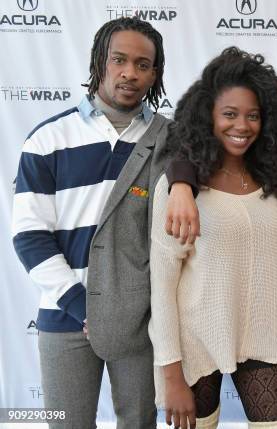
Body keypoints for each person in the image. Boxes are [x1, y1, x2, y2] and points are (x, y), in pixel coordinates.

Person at [148, 47, 277, 429]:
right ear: (208, 117)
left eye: (253, 115)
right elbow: (162, 286)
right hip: (195, 343)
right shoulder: (179, 190)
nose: (242, 125)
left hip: (264, 337)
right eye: (230, 114)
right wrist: (170, 376)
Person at [12, 17, 169, 428]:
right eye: (119, 59)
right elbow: (30, 237)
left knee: (139, 422)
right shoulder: (48, 139)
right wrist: (81, 306)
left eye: (143, 64)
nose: (129, 73)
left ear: (155, 74)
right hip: (65, 316)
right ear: (99, 60)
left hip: (139, 319)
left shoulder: (170, 140)